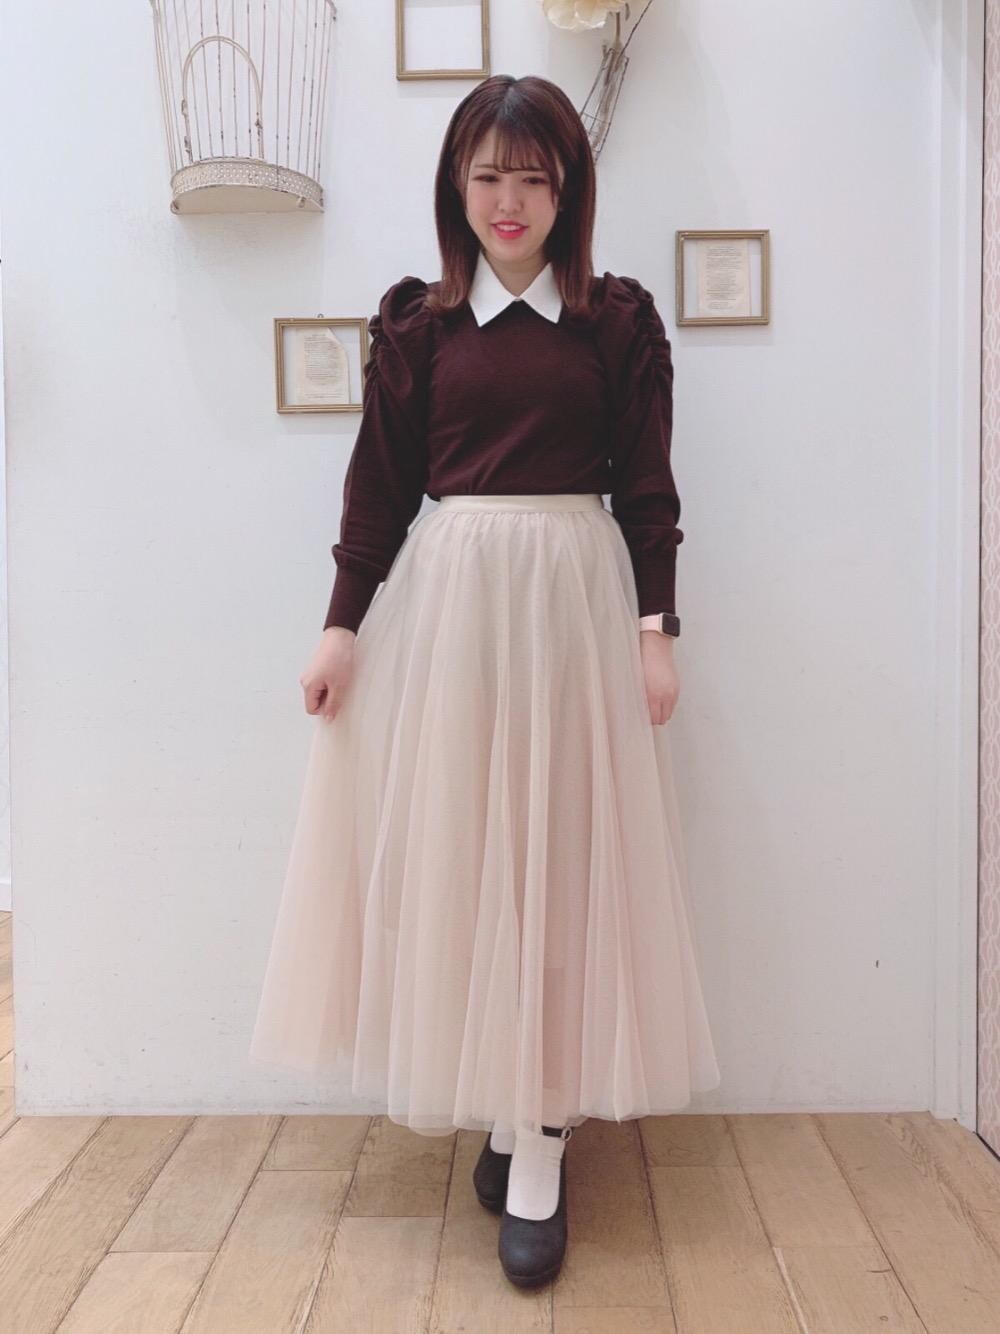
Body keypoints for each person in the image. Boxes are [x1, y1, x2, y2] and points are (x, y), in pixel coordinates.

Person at [249, 72, 720, 1290]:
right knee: (473, 861)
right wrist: (339, 627)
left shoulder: (615, 323)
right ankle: (511, 1104)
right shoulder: (419, 326)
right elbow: (378, 491)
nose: (509, 200)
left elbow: (649, 492)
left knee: (561, 865)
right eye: (487, 176)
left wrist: (655, 630)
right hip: (455, 614)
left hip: (572, 611)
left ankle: (541, 1141)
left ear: (569, 191)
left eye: (533, 178)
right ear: (457, 188)